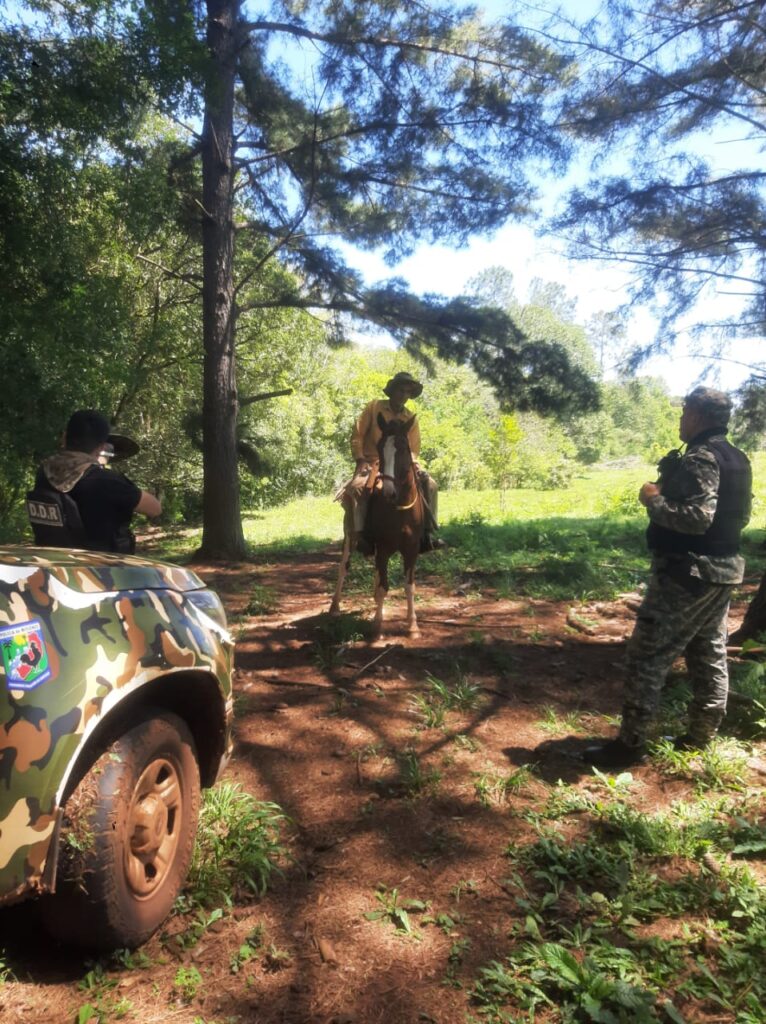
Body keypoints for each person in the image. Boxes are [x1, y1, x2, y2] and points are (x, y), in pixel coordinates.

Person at [585, 386, 752, 769]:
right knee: (708, 653)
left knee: (647, 656)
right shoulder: (736, 458)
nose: (680, 418)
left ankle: (630, 745)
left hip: (687, 574)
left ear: (697, 414)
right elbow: (739, 516)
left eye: (683, 411)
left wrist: (653, 499)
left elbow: (698, 518)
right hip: (724, 570)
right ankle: (700, 737)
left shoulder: (701, 458)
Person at [27, 409, 161, 554]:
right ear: (101, 447)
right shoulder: (108, 482)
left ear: (64, 437)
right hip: (101, 566)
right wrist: (100, 467)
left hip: (54, 562)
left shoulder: (44, 474)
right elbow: (155, 508)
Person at [347, 371, 444, 555]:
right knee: (358, 488)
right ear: (392, 390)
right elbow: (357, 435)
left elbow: (413, 447)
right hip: (373, 461)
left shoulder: (410, 418)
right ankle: (362, 536)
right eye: (401, 390)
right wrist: (360, 459)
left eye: (408, 392)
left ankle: (426, 533)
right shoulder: (374, 407)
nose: (404, 395)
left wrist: (413, 463)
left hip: (400, 464)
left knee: (431, 485)